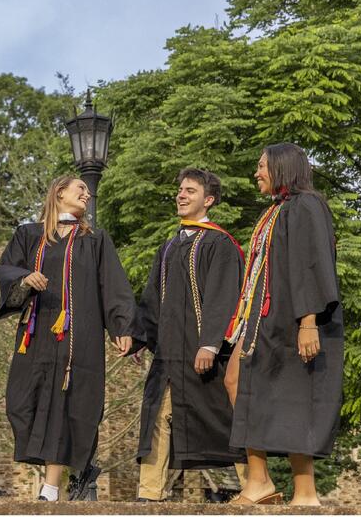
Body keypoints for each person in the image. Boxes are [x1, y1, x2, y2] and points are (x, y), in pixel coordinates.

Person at [0, 174, 134, 502]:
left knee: (65, 403)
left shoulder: (95, 240)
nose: (87, 194)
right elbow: (7, 271)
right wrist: (27, 278)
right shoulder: (29, 235)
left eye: (87, 189)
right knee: (22, 400)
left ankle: (51, 487)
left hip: (78, 338)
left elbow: (113, 285)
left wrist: (122, 327)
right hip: (37, 333)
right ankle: (78, 476)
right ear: (59, 193)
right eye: (80, 189)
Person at [223, 143, 343, 506]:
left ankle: (305, 492)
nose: (257, 173)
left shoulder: (306, 205)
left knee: (296, 399)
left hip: (297, 321)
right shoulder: (276, 211)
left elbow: (312, 264)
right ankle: (258, 480)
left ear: (282, 167)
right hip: (264, 321)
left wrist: (308, 323)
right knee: (237, 380)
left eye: (262, 166)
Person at [129, 168, 246, 502]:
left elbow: (225, 296)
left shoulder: (219, 243)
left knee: (225, 417)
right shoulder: (168, 247)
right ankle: (149, 492)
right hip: (169, 354)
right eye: (180, 190)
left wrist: (210, 343)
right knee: (157, 416)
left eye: (190, 191)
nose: (181, 195)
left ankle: (255, 484)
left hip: (205, 354)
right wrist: (140, 337)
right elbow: (152, 298)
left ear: (207, 200)